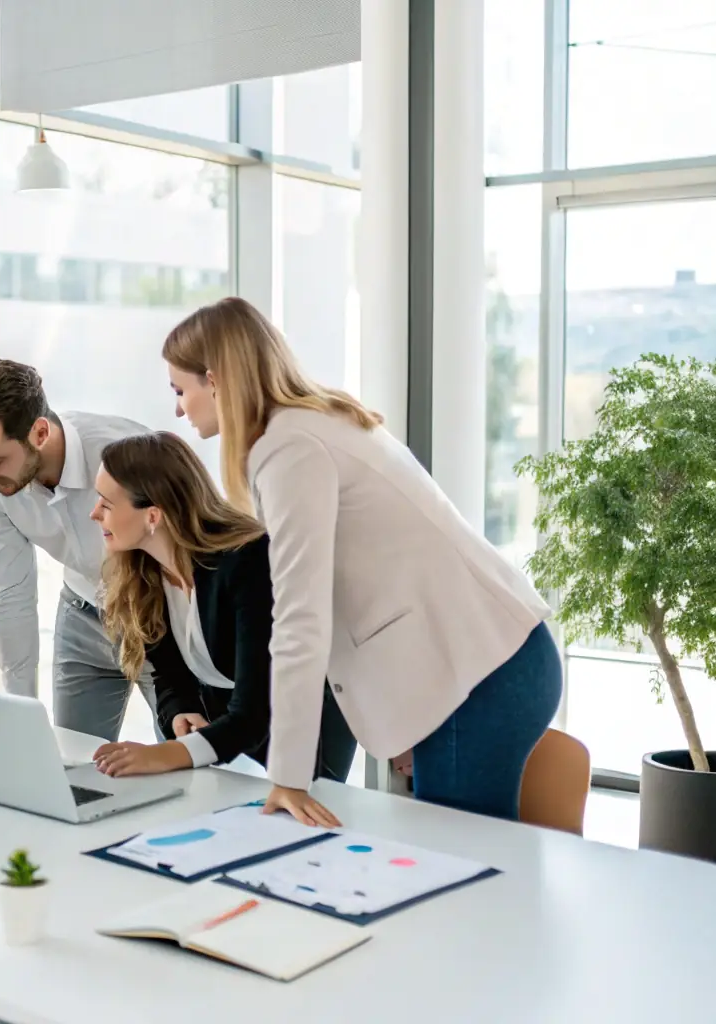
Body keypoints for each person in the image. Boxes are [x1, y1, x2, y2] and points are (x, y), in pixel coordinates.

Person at [161, 296, 562, 826]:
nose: (177, 409)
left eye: (180, 390)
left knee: (457, 870)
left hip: (478, 675)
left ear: (214, 380)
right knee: (456, 869)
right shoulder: (311, 424)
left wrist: (287, 778)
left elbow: (301, 619)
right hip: (485, 662)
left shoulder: (289, 449)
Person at [86, 432, 356, 783]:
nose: (94, 514)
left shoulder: (249, 562)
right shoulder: (144, 576)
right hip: (234, 727)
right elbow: (170, 678)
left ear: (153, 516)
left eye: (106, 504)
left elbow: (255, 711)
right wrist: (182, 712)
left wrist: (163, 755)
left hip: (305, 720)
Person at [0, 358, 158, 741]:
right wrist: (21, 712)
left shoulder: (123, 455)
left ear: (40, 433)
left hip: (155, 615)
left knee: (186, 756)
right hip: (81, 612)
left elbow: (187, 562)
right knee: (71, 766)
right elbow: (11, 596)